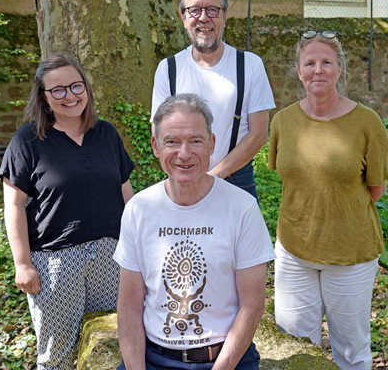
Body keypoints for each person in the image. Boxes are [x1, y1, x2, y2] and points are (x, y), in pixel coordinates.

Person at [114, 93, 275, 370]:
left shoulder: (242, 208)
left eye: (195, 141)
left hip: (227, 360)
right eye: (172, 142)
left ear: (212, 144)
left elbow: (252, 305)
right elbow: (129, 306)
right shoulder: (140, 209)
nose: (184, 153)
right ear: (155, 146)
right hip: (155, 359)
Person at [0, 54, 135, 369]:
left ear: (86, 88)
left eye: (76, 86)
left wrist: (138, 246)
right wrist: (23, 264)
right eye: (58, 90)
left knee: (111, 345)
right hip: (55, 263)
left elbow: (126, 192)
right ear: (44, 98)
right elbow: (14, 206)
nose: (70, 95)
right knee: (56, 354)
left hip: (111, 256)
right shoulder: (27, 142)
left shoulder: (106, 134)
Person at [268, 30, 388, 370]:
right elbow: (292, 178)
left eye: (326, 62)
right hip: (294, 250)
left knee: (351, 351)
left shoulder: (367, 123)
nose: (317, 70)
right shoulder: (283, 121)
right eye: (310, 63)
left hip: (350, 252)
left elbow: (375, 188)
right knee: (295, 347)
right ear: (298, 70)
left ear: (339, 69)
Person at [151, 0, 275, 199]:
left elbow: (258, 134)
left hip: (236, 180)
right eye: (194, 10)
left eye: (212, 10)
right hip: (183, 178)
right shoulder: (168, 68)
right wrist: (187, 175)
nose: (203, 18)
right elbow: (159, 133)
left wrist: (213, 178)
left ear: (225, 16)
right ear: (183, 17)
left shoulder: (249, 65)